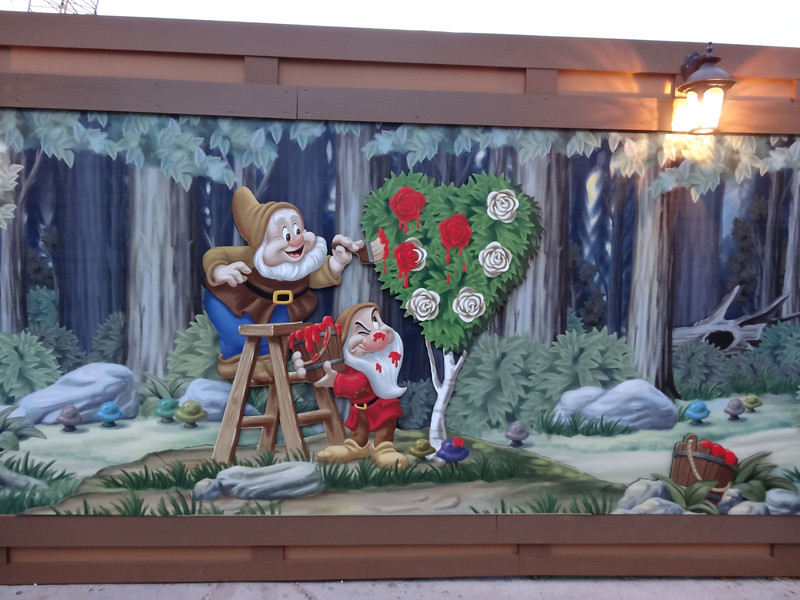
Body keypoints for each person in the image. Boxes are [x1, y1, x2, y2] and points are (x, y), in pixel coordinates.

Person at [203, 186, 360, 380]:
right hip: (231, 303)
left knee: (273, 338)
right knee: (239, 337)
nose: (297, 240)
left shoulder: (302, 265)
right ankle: (233, 364)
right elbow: (215, 254)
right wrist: (219, 270)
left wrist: (337, 263)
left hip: (278, 308)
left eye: (298, 230)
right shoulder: (251, 257)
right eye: (286, 235)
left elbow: (318, 275)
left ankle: (265, 363)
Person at [292, 302, 409, 469]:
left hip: (381, 405)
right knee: (359, 430)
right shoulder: (347, 362)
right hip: (359, 407)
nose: (377, 333)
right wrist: (309, 366)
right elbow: (332, 372)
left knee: (384, 428)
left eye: (376, 321)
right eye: (361, 331)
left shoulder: (376, 366)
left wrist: (336, 381)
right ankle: (357, 446)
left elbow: (358, 384)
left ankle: (383, 448)